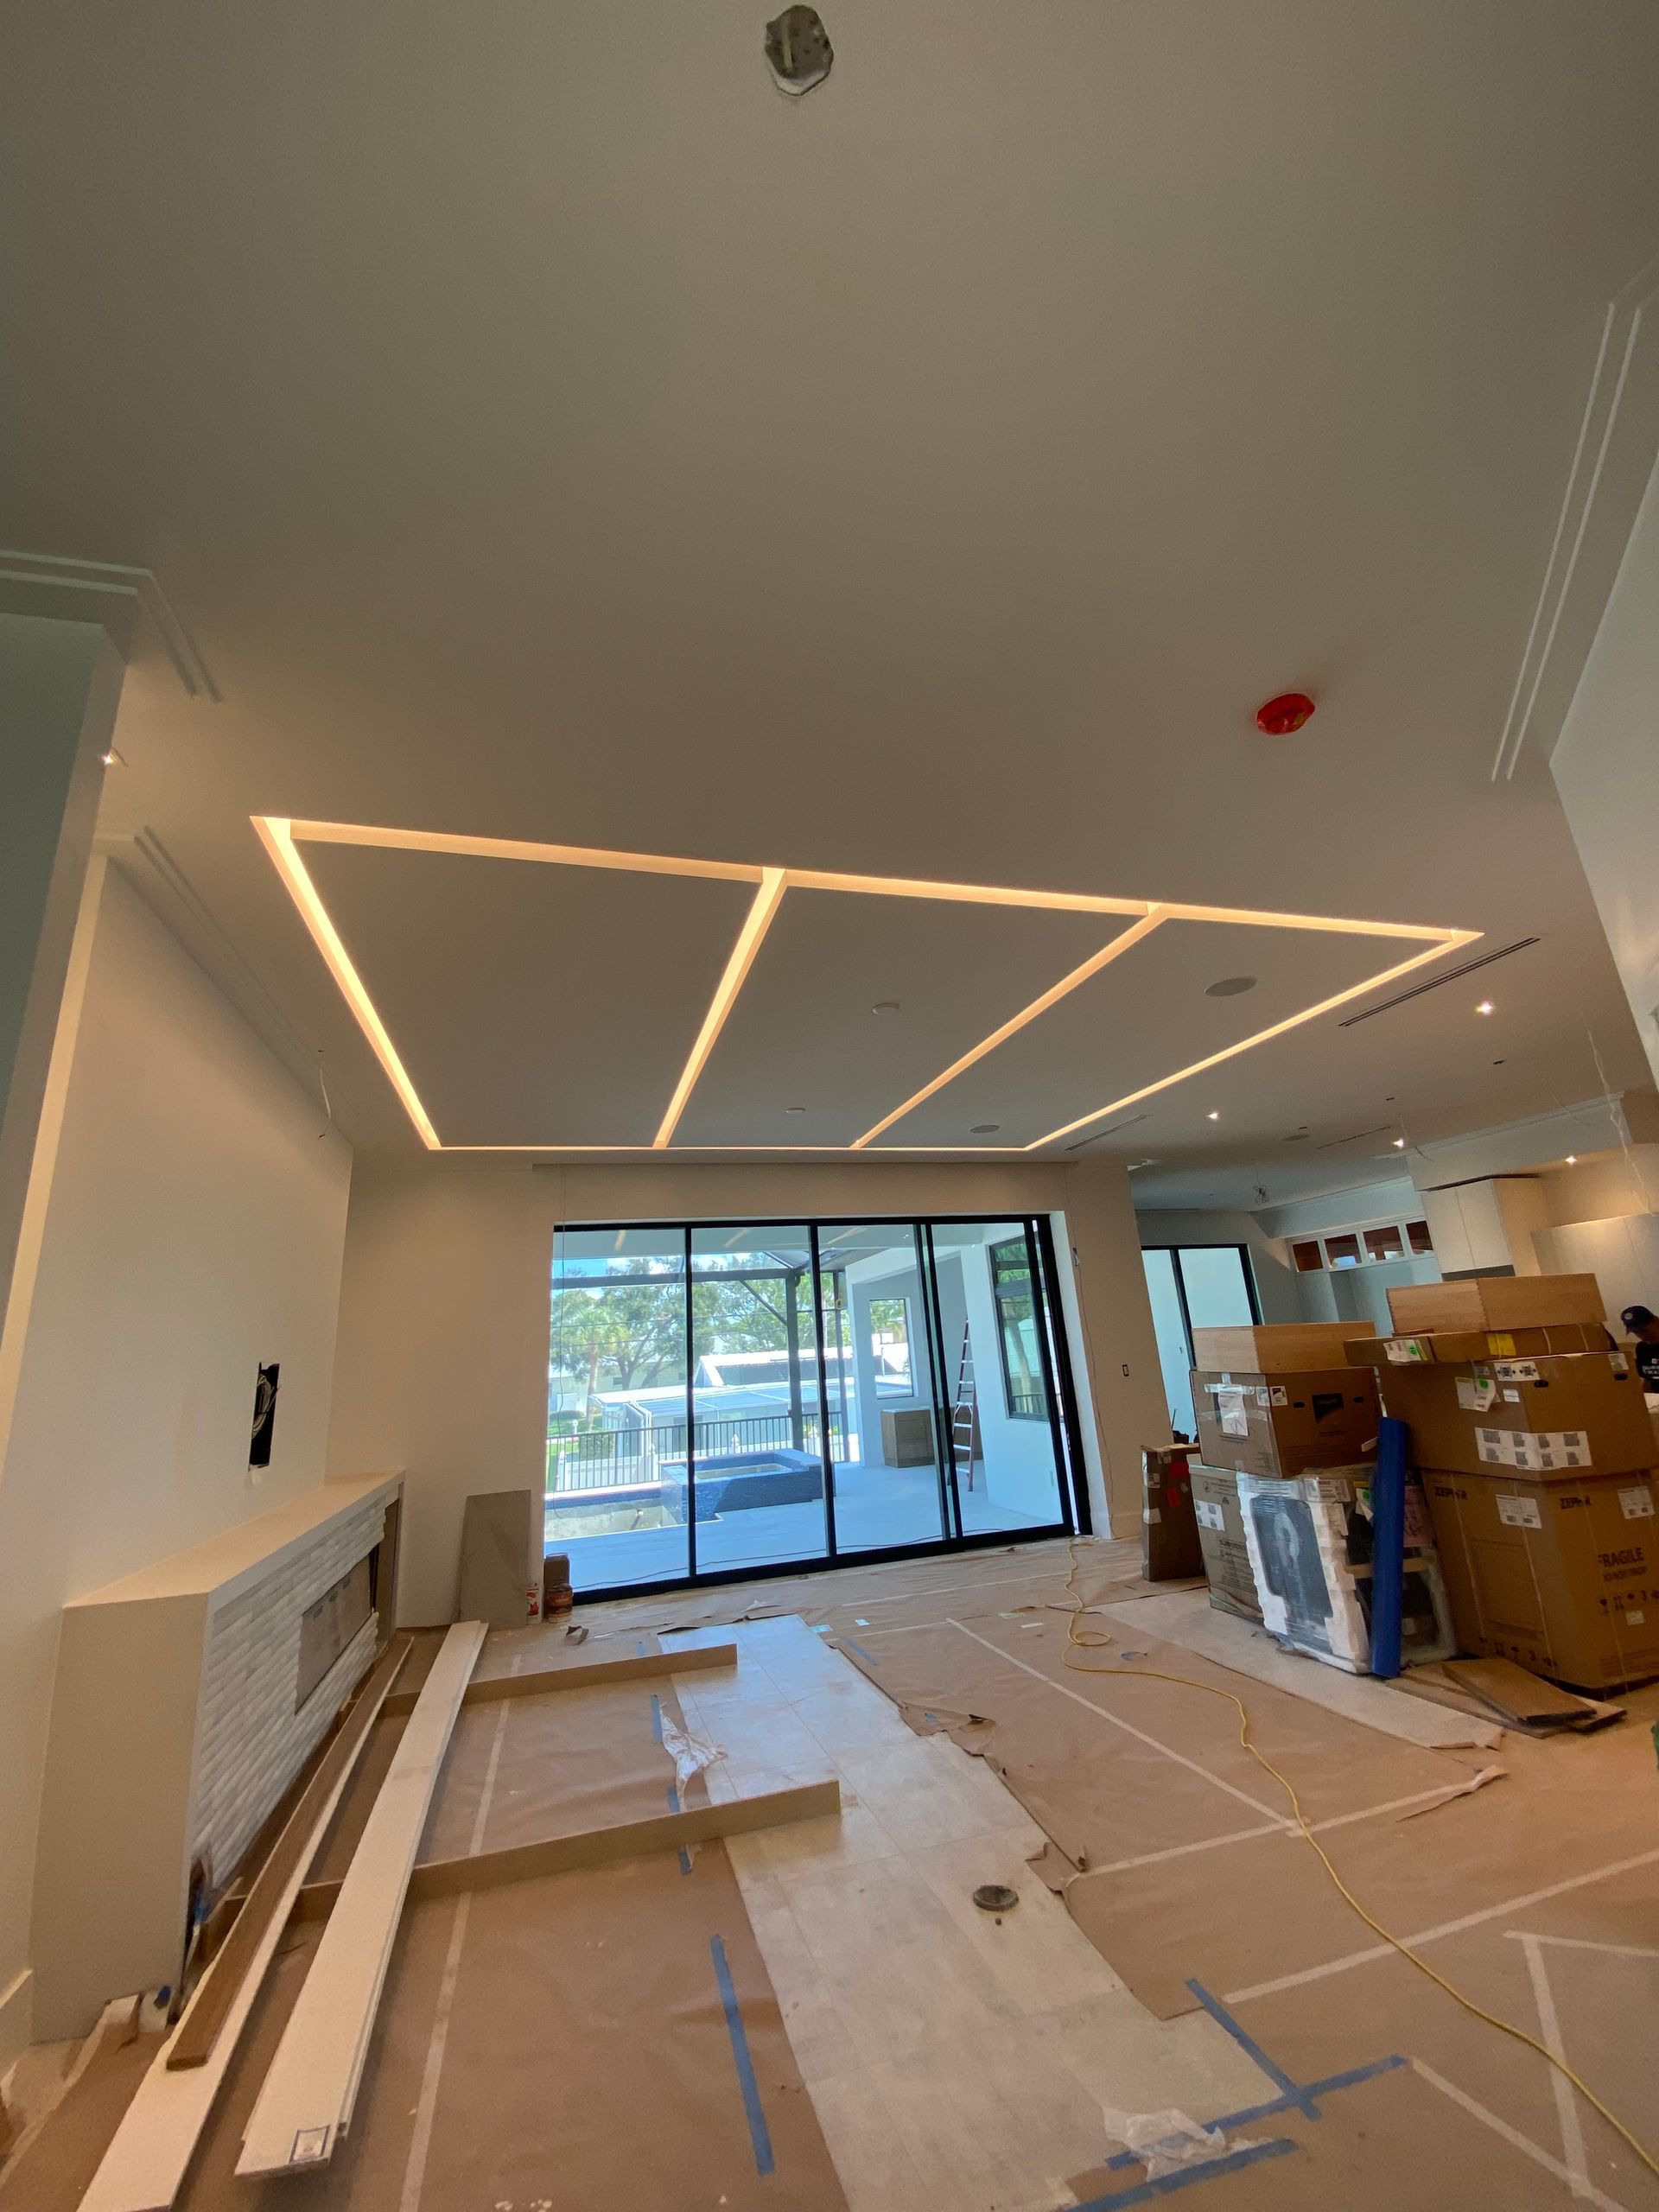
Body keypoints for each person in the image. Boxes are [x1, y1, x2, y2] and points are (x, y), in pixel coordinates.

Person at [1620, 1305, 1659, 1390]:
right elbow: (1646, 1379)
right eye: (1637, 1332)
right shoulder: (1642, 1349)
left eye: (1644, 1330)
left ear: (1656, 1321)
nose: (1642, 1335)